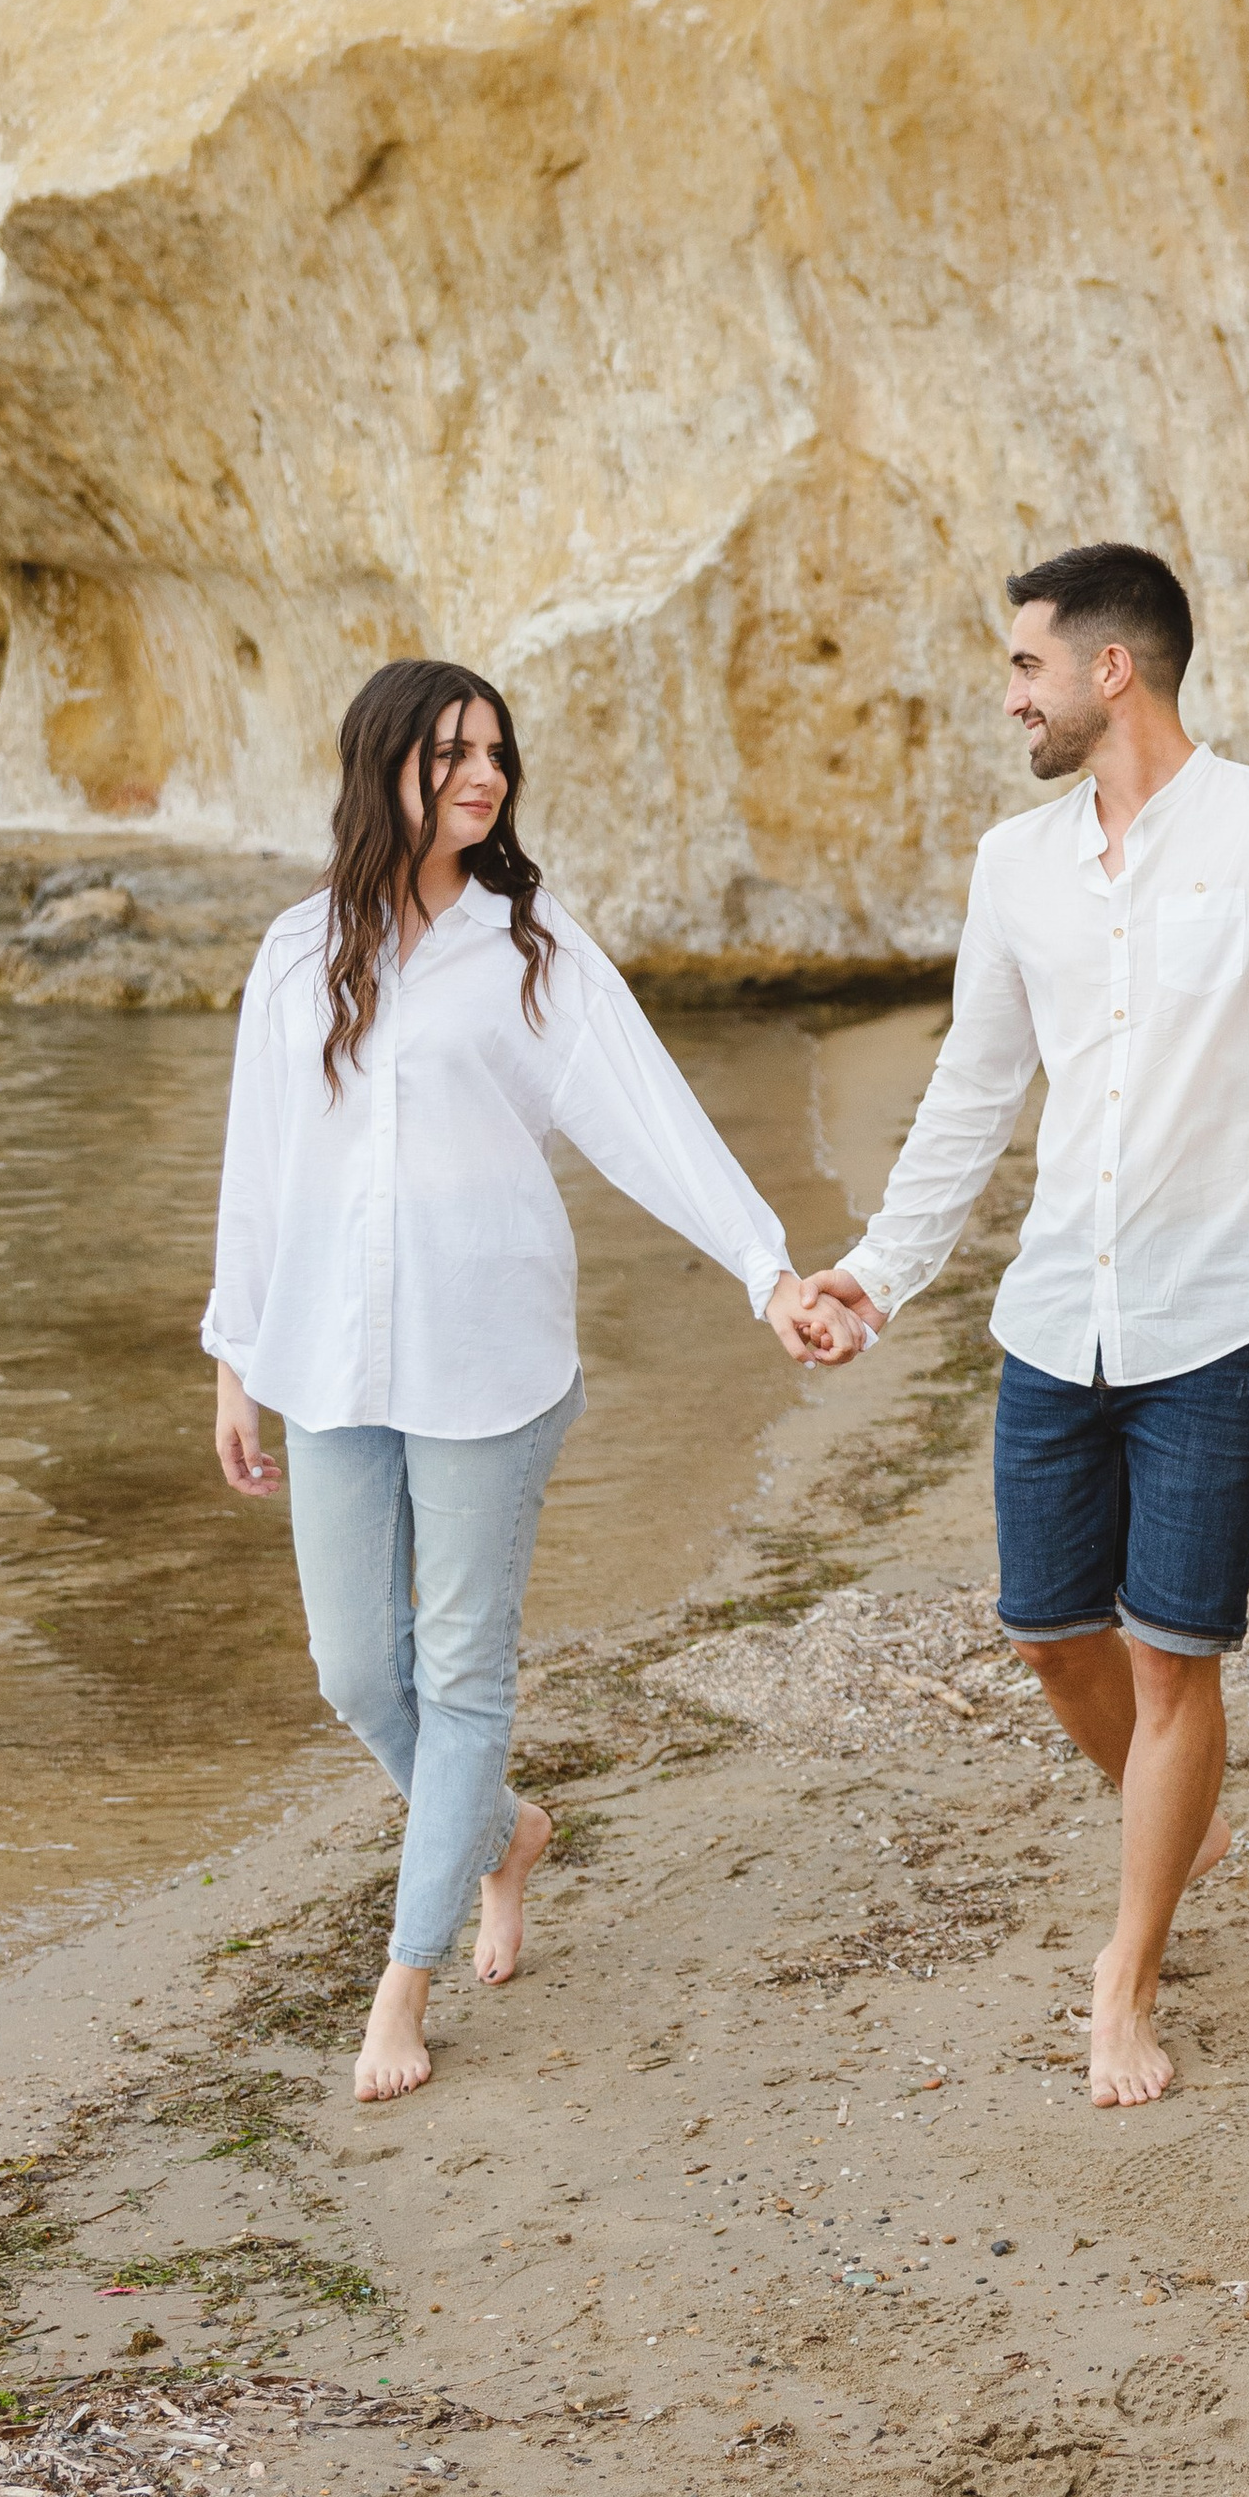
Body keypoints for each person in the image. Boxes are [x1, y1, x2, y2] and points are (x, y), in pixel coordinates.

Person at [799, 543, 1249, 2109]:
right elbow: (973, 1089)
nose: (1011, 699)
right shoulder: (1016, 866)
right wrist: (879, 1270)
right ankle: (1173, 1804)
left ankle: (1123, 1974)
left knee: (1172, 1651)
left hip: (1233, 1315)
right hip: (1058, 1310)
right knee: (1048, 1632)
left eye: (1024, 669)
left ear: (1108, 670)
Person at [206, 656, 854, 2103]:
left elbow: (648, 1120)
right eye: (451, 751)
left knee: (462, 1668)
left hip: (490, 1359)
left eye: (495, 750)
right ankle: (504, 1835)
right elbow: (261, 1167)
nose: (483, 775)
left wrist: (767, 1271)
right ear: (383, 765)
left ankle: (402, 1985)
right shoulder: (295, 951)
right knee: (354, 1671)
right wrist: (235, 1354)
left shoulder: (531, 946)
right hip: (324, 1356)